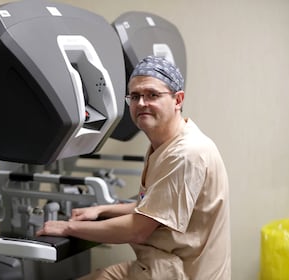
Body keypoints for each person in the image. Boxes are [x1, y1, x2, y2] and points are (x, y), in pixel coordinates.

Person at [36, 56, 231, 280]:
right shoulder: (167, 144)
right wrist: (102, 209)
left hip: (181, 273)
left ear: (178, 100)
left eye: (152, 95)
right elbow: (153, 208)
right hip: (161, 265)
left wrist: (68, 228)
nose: (141, 103)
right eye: (135, 96)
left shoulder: (186, 154)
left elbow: (138, 229)